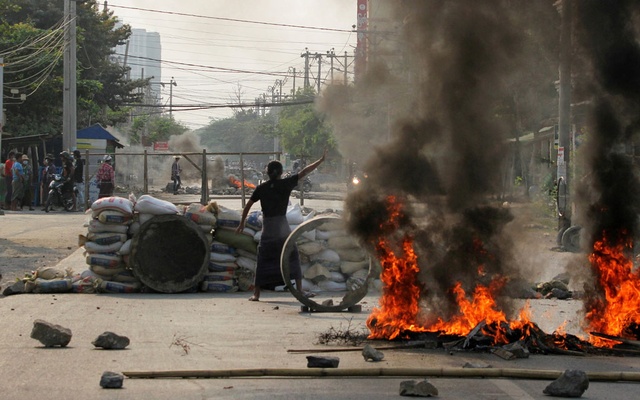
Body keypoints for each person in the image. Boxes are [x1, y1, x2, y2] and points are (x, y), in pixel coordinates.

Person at [236, 149, 327, 301]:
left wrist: (241, 224)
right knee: (292, 256)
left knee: (263, 260)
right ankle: (299, 290)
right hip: (282, 227)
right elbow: (304, 172)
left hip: (268, 228)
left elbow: (247, 206)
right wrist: (320, 160)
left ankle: (256, 294)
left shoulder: (261, 188)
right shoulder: (286, 184)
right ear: (281, 172)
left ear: (267, 172)